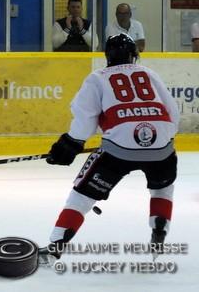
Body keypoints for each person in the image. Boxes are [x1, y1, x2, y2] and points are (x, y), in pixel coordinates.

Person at [38, 34, 180, 263]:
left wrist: (70, 144)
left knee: (81, 195)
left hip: (118, 150)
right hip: (162, 147)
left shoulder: (97, 78)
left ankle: (55, 246)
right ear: (134, 55)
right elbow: (173, 113)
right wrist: (158, 140)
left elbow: (85, 119)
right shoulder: (149, 74)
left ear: (107, 56)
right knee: (163, 189)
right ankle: (160, 229)